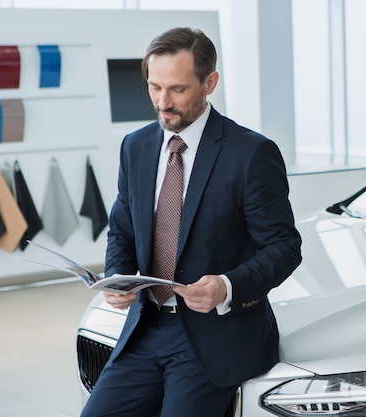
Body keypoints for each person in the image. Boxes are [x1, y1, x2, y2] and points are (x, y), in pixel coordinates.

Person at [80, 27, 302, 417]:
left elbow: (284, 248)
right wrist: (117, 275)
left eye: (177, 89)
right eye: (154, 87)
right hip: (144, 329)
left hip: (214, 339)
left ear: (209, 82)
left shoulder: (252, 153)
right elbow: (123, 228)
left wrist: (226, 286)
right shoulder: (136, 146)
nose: (162, 102)